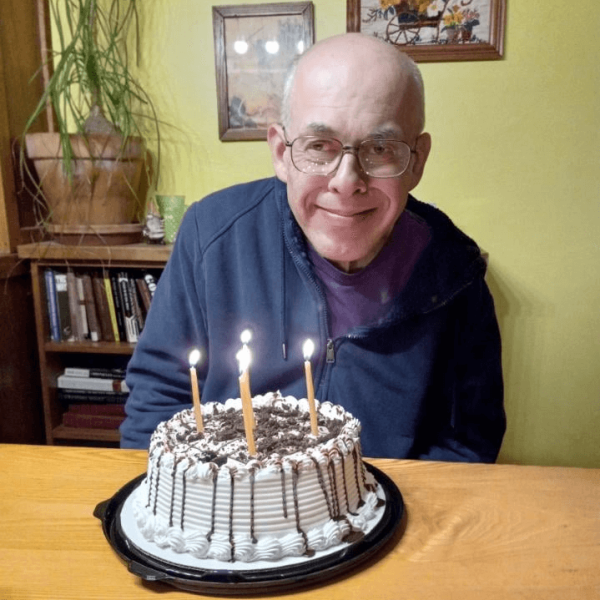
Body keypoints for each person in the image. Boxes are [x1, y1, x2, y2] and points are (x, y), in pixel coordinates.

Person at [120, 33, 505, 462]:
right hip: (226, 511)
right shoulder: (210, 236)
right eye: (320, 146)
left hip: (390, 513)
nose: (346, 181)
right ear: (282, 152)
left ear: (416, 160)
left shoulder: (454, 272)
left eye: (380, 149)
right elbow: (158, 400)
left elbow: (466, 441)